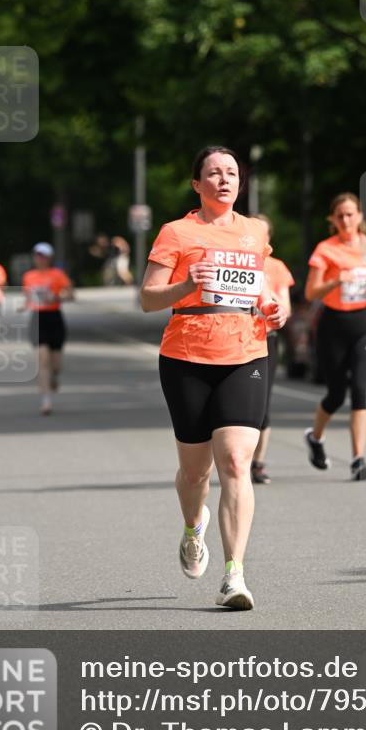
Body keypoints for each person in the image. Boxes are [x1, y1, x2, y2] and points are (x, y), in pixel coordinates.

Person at [140, 146, 287, 611]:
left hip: (246, 352)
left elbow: (260, 287)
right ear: (196, 184)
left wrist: (273, 307)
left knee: (236, 463)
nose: (224, 180)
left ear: (240, 183)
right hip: (186, 355)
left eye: (232, 173)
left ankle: (234, 576)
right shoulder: (176, 232)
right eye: (214, 173)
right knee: (195, 470)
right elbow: (147, 298)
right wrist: (187, 285)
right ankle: (191, 528)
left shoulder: (254, 232)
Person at [304, 192, 366, 481]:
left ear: (360, 216)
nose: (345, 220)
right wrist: (334, 280)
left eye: (350, 214)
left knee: (360, 389)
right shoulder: (325, 249)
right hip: (333, 325)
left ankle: (358, 459)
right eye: (340, 215)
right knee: (336, 394)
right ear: (333, 219)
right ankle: (316, 438)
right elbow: (310, 293)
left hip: (364, 324)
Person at [250, 214, 295, 485]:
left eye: (261, 234)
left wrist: (271, 303)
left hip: (265, 340)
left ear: (268, 239)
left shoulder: (276, 267)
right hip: (232, 339)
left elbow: (286, 308)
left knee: (262, 406)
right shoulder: (233, 259)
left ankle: (258, 463)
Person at [20, 242, 73, 415]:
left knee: (56, 364)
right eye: (37, 255)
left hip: (55, 318)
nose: (39, 259)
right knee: (43, 360)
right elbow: (27, 298)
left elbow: (70, 293)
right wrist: (24, 306)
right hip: (38, 319)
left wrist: (56, 296)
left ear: (49, 258)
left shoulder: (57, 274)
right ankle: (46, 400)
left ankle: (54, 376)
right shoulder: (28, 276)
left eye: (43, 255)